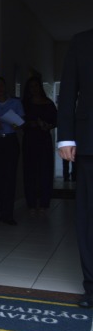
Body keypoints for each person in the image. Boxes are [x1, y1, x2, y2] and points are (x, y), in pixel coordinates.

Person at [57, 28, 93, 308]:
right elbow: (68, 90)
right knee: (88, 217)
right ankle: (92, 287)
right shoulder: (82, 41)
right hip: (89, 142)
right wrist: (66, 136)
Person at [0, 76, 24, 225]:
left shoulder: (15, 103)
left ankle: (8, 213)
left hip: (10, 141)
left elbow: (21, 124)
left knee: (10, 177)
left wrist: (15, 123)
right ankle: (2, 211)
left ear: (5, 87)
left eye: (1, 86)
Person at [21, 75, 57, 214]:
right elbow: (18, 122)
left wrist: (48, 126)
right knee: (30, 171)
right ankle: (31, 203)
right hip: (30, 140)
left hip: (44, 140)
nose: (34, 89)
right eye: (31, 86)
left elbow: (56, 120)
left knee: (45, 171)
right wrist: (31, 124)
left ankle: (44, 203)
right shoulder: (25, 104)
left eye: (36, 86)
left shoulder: (48, 103)